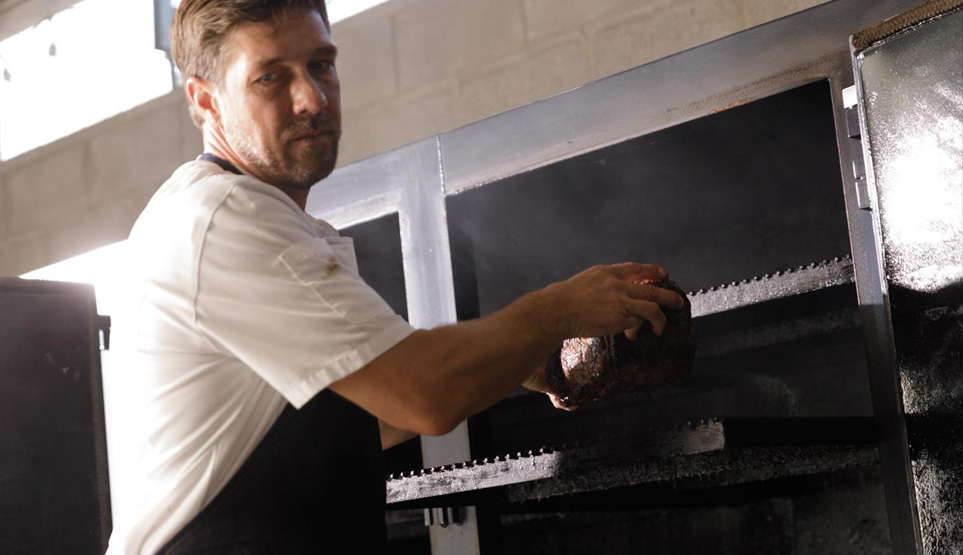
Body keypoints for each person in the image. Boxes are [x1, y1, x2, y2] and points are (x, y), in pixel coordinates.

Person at [105, 1, 684, 553]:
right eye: (270, 78)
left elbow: (344, 427)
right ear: (205, 101)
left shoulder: (263, 221)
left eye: (321, 65)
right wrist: (557, 310)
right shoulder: (223, 220)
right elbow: (422, 395)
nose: (310, 98)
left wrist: (516, 360)